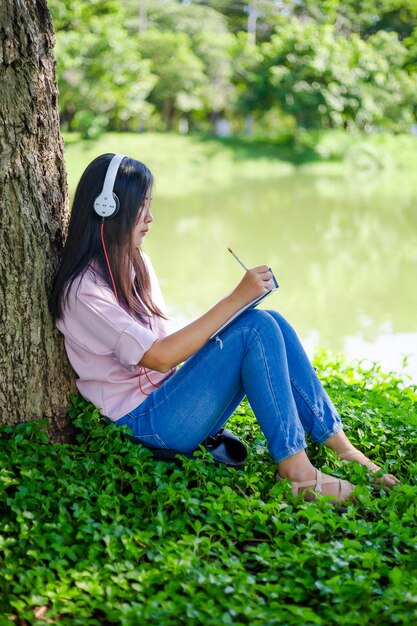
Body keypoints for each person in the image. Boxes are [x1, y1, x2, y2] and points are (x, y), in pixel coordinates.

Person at [51, 153, 399, 503]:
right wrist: (235, 299)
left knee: (270, 322)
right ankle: (297, 474)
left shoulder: (135, 261)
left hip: (166, 397)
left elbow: (166, 348)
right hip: (142, 423)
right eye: (142, 207)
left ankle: (342, 449)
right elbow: (158, 356)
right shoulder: (84, 291)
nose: (151, 217)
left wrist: (238, 309)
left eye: (150, 205)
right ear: (108, 207)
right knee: (254, 328)